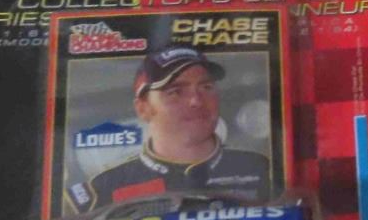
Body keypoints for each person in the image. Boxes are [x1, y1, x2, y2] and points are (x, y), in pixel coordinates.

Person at [73, 44, 272, 211]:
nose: (196, 101)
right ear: (143, 108)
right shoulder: (102, 189)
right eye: (175, 92)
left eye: (206, 87)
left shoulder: (262, 168)